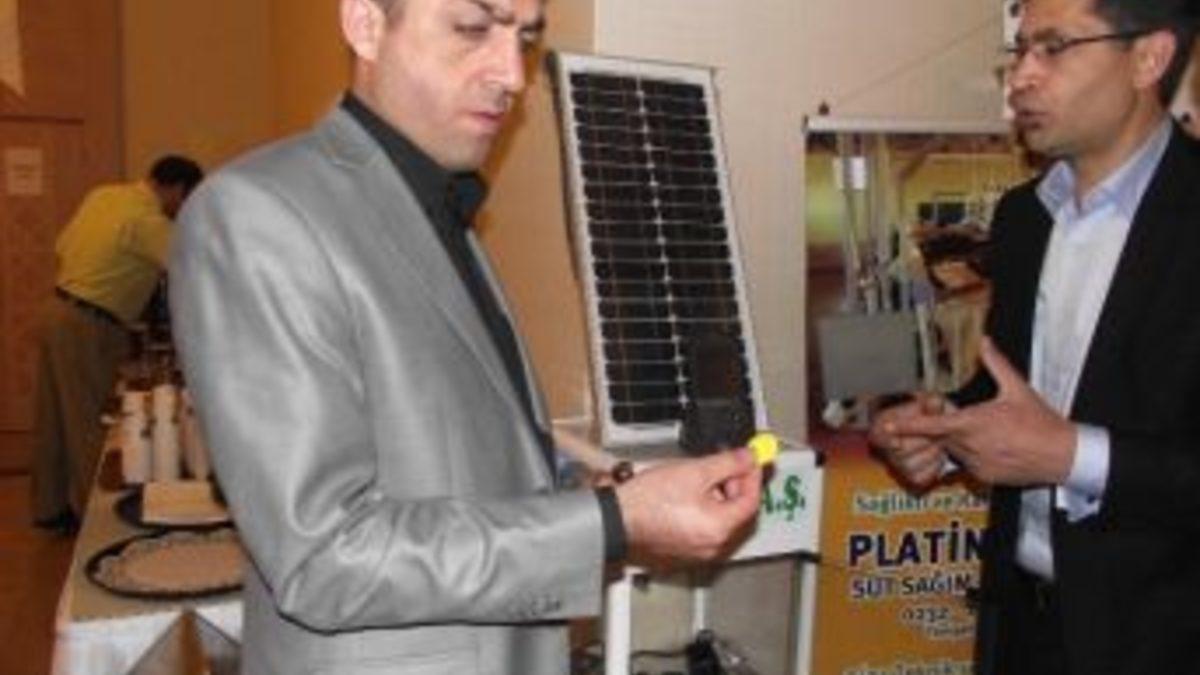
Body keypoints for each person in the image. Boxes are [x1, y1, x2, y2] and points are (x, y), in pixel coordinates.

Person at [169, 0, 763, 672]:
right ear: (365, 23)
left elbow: (451, 462)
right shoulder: (257, 215)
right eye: (473, 29)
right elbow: (324, 556)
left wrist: (593, 496)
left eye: (525, 39)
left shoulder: (436, 206)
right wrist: (610, 522)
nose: (512, 75)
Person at [870, 0, 1200, 673]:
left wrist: (1070, 455)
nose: (1020, 77)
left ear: (1149, 57)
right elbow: (1011, 391)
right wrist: (943, 429)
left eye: (1052, 47)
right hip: (1019, 619)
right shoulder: (1024, 218)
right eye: (1019, 51)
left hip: (1162, 637)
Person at [31, 154, 203, 532]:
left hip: (56, 309)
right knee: (89, 421)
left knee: (54, 418)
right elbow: (192, 269)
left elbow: (62, 246)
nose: (182, 212)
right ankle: (95, 523)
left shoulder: (104, 196)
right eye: (186, 201)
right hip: (88, 324)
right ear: (176, 189)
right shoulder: (148, 221)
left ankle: (50, 509)